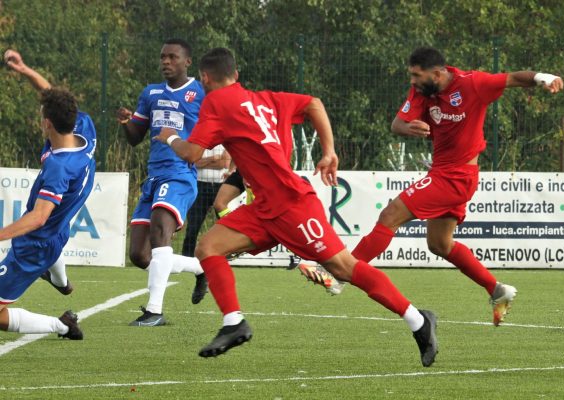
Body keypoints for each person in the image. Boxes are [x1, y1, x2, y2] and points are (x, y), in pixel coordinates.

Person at [156, 47, 439, 367]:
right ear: (236, 75)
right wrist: (329, 151)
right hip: (264, 207)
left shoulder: (216, 102)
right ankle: (234, 323)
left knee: (343, 268)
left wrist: (168, 137)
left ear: (205, 78)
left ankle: (419, 321)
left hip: (291, 205)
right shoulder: (266, 99)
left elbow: (192, 153)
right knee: (209, 247)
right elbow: (314, 103)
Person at [344, 47, 563, 326]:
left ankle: (341, 272)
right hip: (444, 173)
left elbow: (513, 78)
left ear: (437, 73)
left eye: (416, 75)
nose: (412, 81)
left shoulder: (473, 84)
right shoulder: (423, 90)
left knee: (390, 216)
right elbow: (397, 123)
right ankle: (497, 290)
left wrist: (544, 77)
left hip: (457, 177)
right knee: (439, 244)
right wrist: (408, 128)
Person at [116, 38, 208, 325]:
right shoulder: (150, 93)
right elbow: (135, 138)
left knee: (160, 235)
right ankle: (201, 268)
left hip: (180, 174)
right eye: (162, 57)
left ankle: (154, 311)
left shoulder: (200, 93)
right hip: (153, 176)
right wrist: (126, 123)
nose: (166, 62)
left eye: (172, 57)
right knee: (140, 255)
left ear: (187, 62)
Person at [0, 69, 96, 339]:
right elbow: (52, 96)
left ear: (47, 124)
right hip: (58, 232)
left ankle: (62, 326)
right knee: (54, 242)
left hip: (34, 245)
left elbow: (39, 217)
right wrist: (23, 69)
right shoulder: (85, 129)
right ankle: (61, 281)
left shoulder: (59, 166)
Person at [181, 145, 230, 258]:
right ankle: (186, 257)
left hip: (221, 186)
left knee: (225, 224)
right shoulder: (198, 143)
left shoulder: (223, 141)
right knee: (193, 226)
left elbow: (223, 164)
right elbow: (192, 162)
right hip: (199, 186)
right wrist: (213, 159)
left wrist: (202, 162)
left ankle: (225, 254)